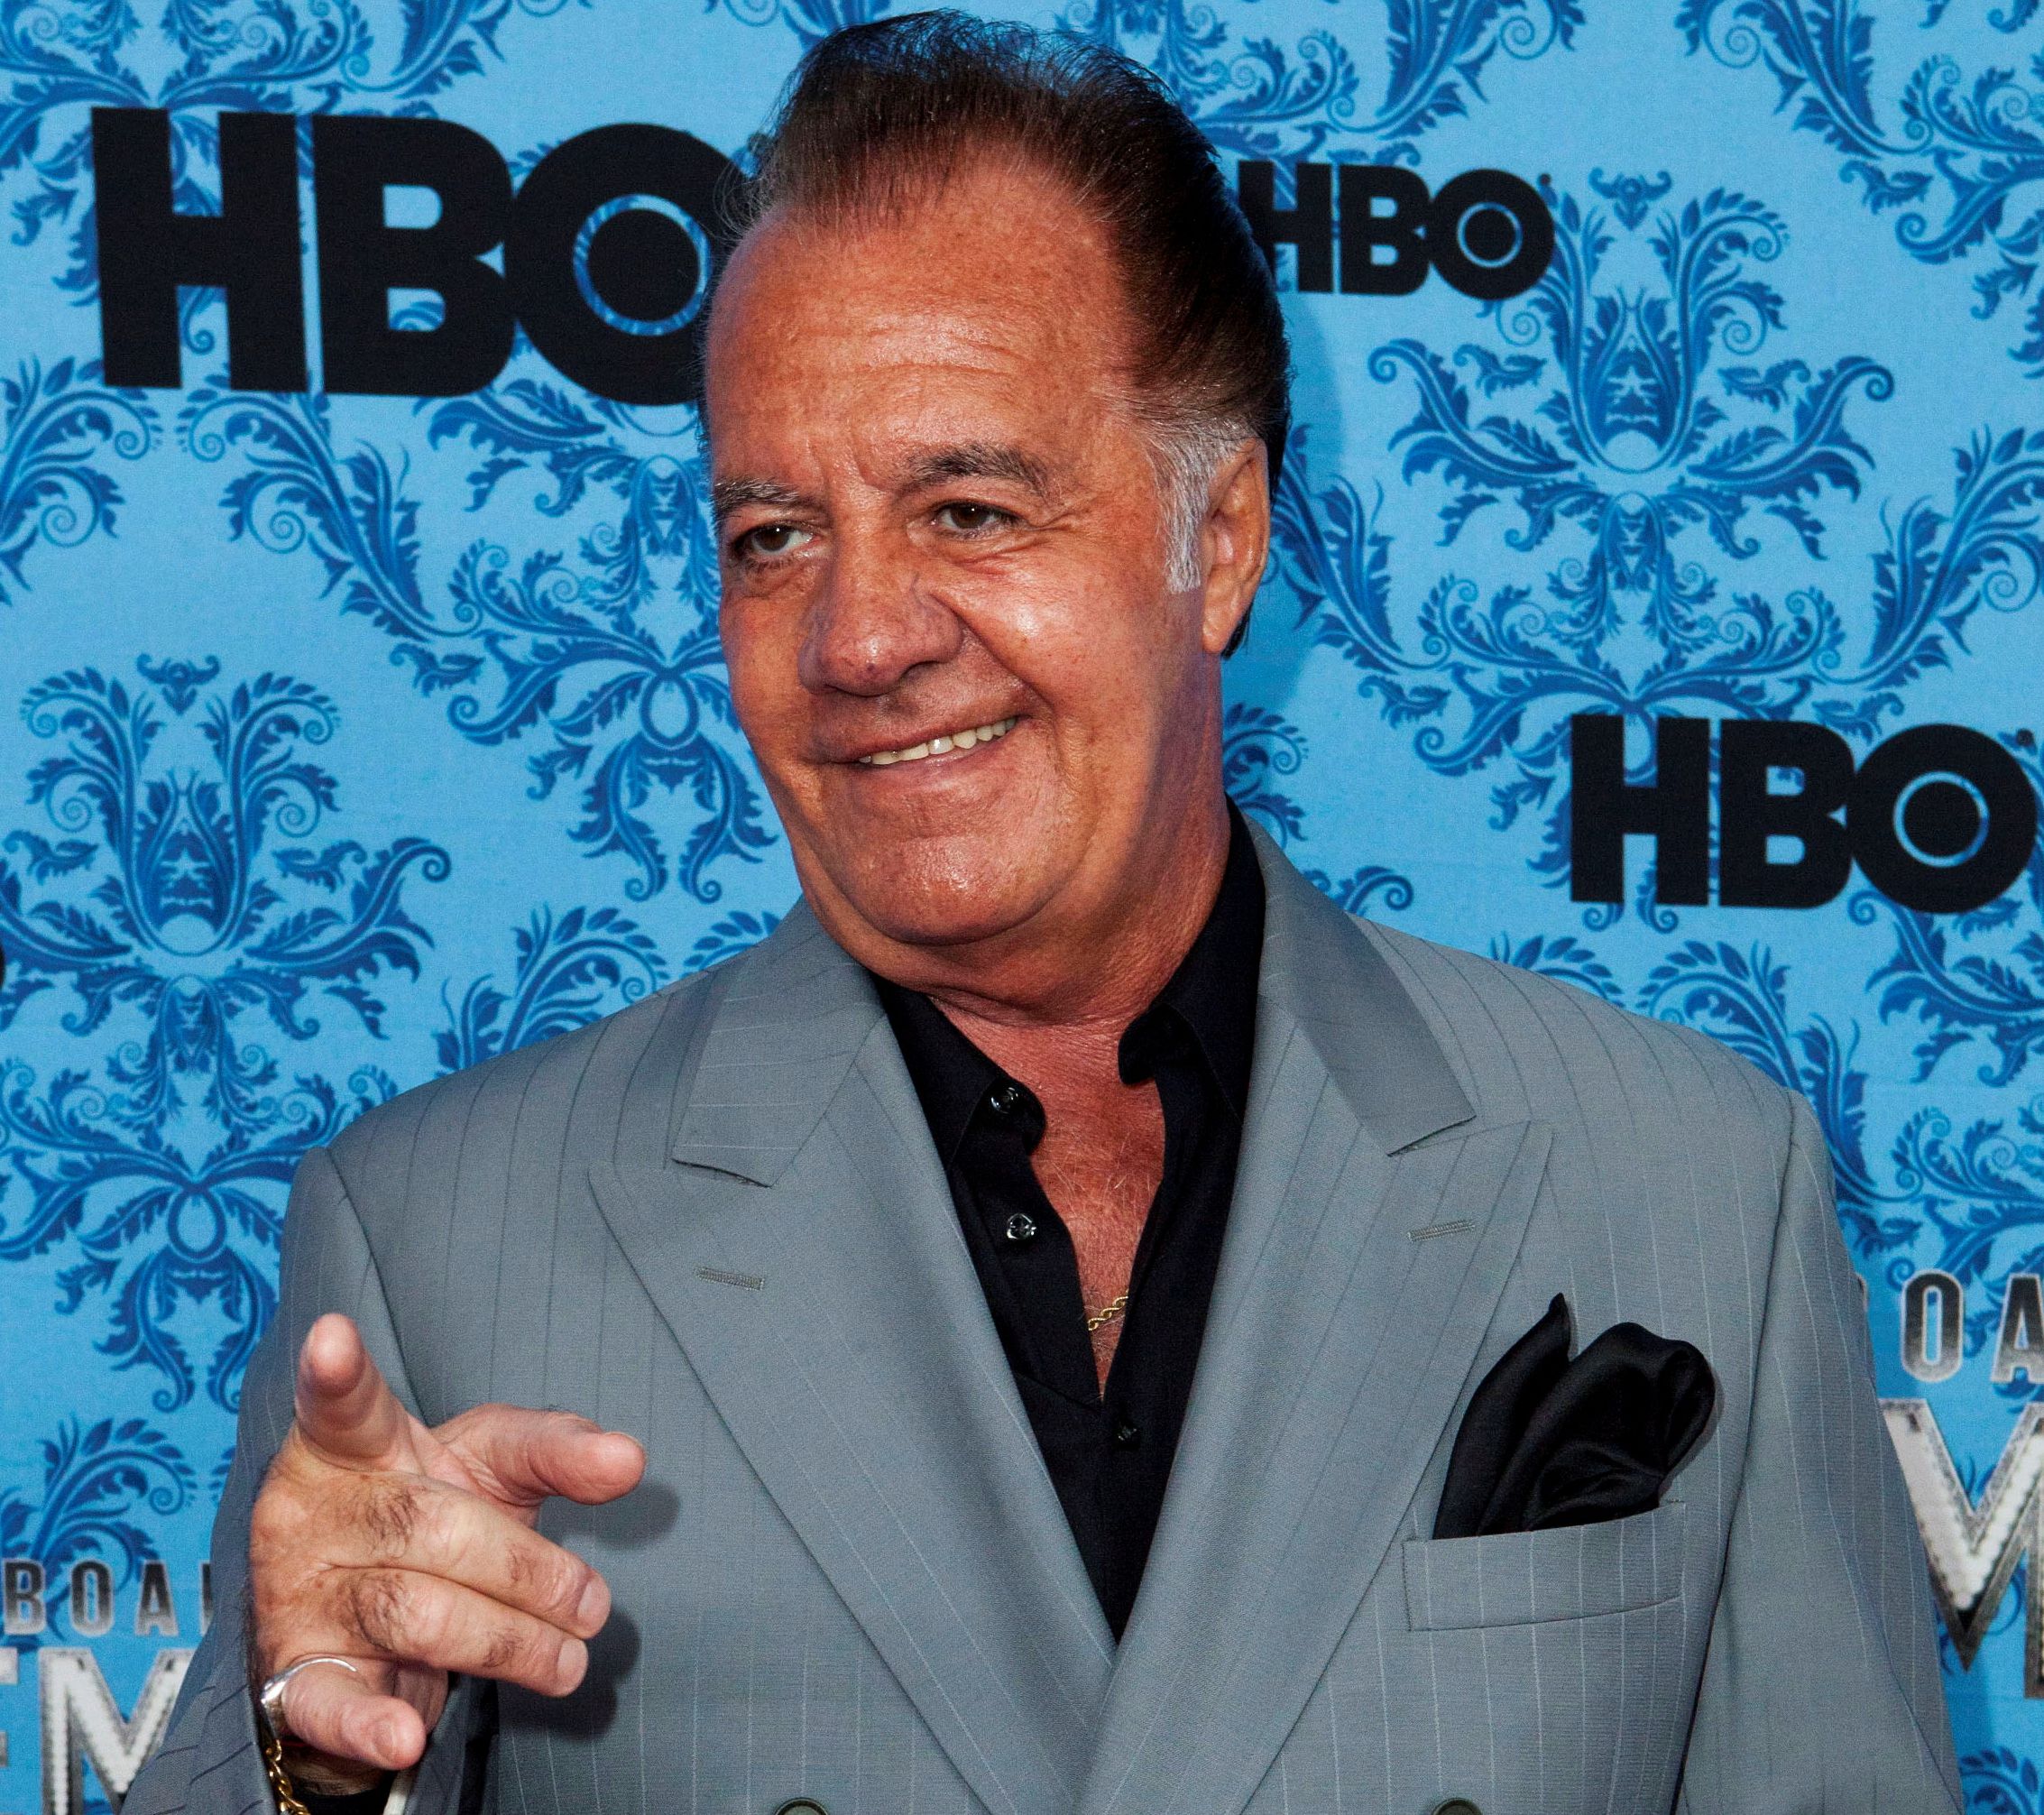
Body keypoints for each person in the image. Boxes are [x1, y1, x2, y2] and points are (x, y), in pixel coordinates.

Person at [126, 14, 1960, 1815]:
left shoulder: (1691, 1181)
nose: (857, 639)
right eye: (772, 537)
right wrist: (313, 1765)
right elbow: (306, 1755)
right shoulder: (438, 1243)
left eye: (969, 510)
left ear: (1217, 538)